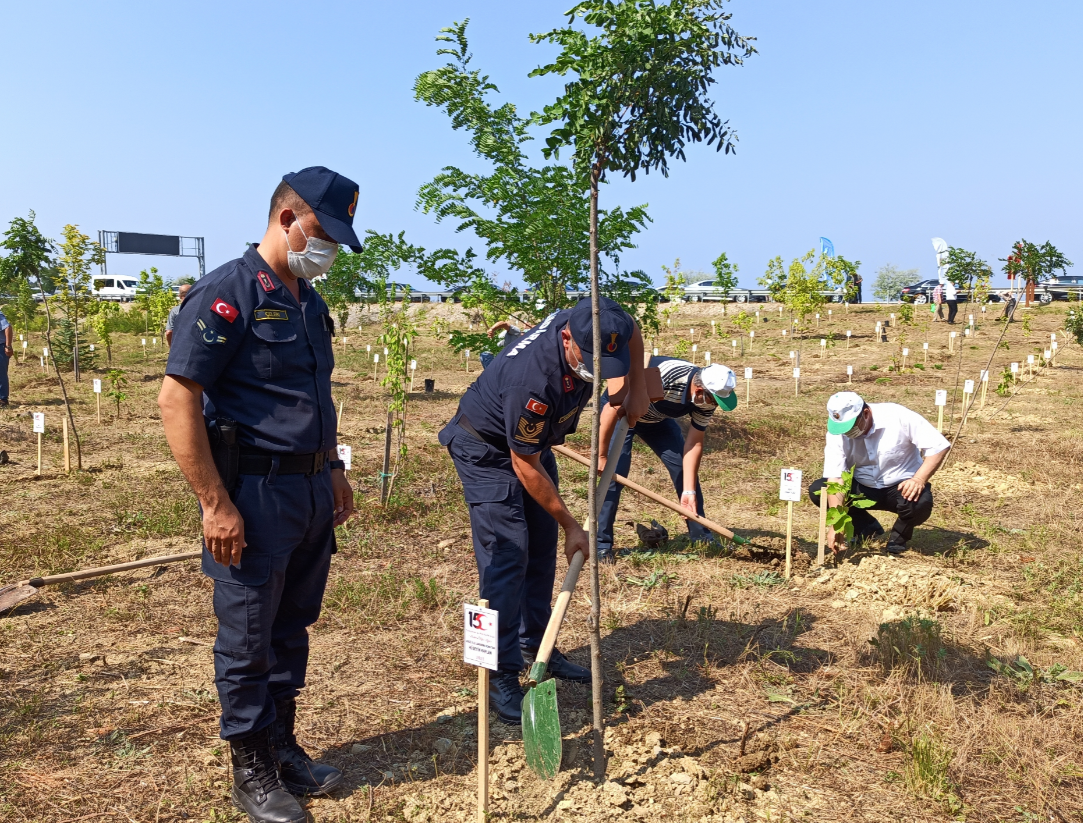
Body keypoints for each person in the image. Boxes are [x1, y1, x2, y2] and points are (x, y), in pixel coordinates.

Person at [158, 166, 360, 823]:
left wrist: (332, 467)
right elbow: (177, 397)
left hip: (307, 491)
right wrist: (216, 503)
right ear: (287, 219)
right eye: (324, 234)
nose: (328, 248)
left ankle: (280, 745)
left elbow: (315, 395)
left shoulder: (308, 300)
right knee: (247, 636)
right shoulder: (227, 294)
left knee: (290, 625)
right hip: (251, 492)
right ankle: (250, 770)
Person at [439, 297, 649, 724]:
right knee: (508, 553)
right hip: (488, 449)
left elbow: (632, 326)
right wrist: (572, 524)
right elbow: (524, 464)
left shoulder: (598, 317)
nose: (597, 370)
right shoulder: (531, 382)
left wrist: (638, 386)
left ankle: (539, 647)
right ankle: (499, 674)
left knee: (539, 546)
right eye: (589, 360)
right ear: (566, 336)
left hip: (530, 446)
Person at [595, 358, 738, 561]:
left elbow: (694, 443)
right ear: (699, 391)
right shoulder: (666, 376)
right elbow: (611, 408)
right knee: (614, 474)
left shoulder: (707, 398)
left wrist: (689, 492)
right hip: (622, 412)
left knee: (682, 467)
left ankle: (701, 536)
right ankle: (601, 545)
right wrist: (601, 456)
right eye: (715, 401)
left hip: (656, 419)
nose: (715, 406)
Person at [808, 392, 949, 555]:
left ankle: (898, 538)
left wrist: (919, 479)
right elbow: (836, 477)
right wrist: (837, 523)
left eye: (851, 427)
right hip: (863, 487)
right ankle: (866, 528)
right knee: (819, 490)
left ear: (866, 414)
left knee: (919, 502)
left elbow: (938, 446)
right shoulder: (837, 433)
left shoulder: (897, 416)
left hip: (901, 486)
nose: (847, 433)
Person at [0, 309, 11, 407]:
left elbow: (7, 327)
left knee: (1, 373)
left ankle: (3, 399)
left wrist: (8, 346)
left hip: (1, 347)